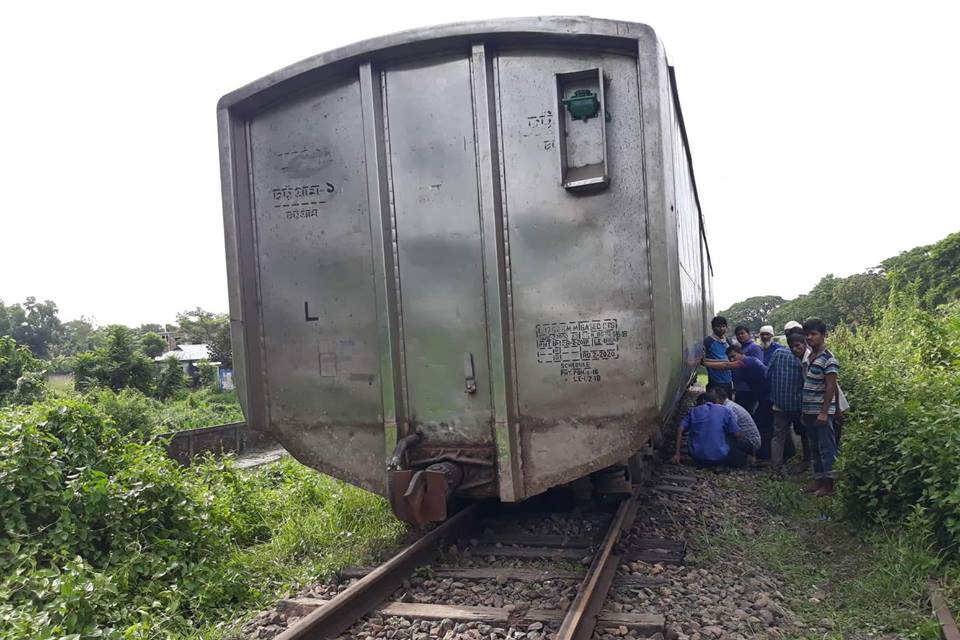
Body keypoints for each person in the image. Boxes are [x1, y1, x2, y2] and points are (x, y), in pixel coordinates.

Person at [801, 317, 840, 497]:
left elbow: (831, 386)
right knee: (814, 447)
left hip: (821, 412)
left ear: (823, 335)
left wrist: (825, 412)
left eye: (814, 334)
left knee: (827, 448)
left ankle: (829, 485)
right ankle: (818, 480)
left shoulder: (828, 358)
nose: (809, 338)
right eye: (807, 334)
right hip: (809, 411)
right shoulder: (811, 356)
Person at [672, 392, 749, 468]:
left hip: (697, 457)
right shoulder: (725, 410)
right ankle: (748, 460)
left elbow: (680, 429)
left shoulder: (694, 411)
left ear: (703, 401)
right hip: (720, 458)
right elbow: (737, 434)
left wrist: (677, 454)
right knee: (735, 439)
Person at [767, 332, 807, 473]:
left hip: (779, 403)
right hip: (798, 405)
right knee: (804, 434)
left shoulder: (777, 353)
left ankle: (776, 467)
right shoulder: (804, 357)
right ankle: (806, 462)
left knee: (778, 437)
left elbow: (768, 373)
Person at [703, 344, 768, 415]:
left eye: (733, 356)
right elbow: (725, 362)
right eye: (730, 358)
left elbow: (726, 365)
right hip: (761, 392)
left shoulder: (744, 362)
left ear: (741, 353)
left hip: (766, 393)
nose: (732, 359)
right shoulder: (749, 359)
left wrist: (705, 363)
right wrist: (706, 360)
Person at [713, 386, 761, 459]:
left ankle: (747, 458)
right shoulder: (729, 405)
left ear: (718, 399)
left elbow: (733, 430)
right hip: (748, 440)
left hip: (750, 442)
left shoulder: (728, 409)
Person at [703, 316, 736, 397]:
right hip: (715, 381)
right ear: (713, 327)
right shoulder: (708, 341)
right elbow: (701, 360)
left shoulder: (728, 341)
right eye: (718, 326)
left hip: (728, 380)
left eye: (723, 326)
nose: (721, 329)